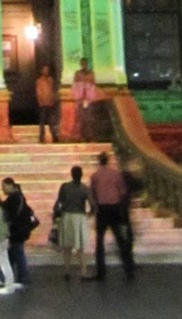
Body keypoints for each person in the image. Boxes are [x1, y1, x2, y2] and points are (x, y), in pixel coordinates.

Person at [88, 149, 135, 280]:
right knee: (120, 239)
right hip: (115, 207)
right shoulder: (116, 174)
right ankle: (128, 269)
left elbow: (93, 193)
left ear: (99, 161)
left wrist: (94, 207)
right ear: (108, 161)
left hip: (102, 209)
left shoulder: (95, 176)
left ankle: (101, 271)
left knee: (100, 241)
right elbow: (122, 192)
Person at [52, 164, 91, 282]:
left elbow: (59, 203)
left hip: (67, 217)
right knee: (81, 247)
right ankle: (83, 272)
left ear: (71, 174)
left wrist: (56, 216)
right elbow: (93, 204)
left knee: (67, 246)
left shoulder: (65, 187)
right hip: (79, 217)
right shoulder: (84, 188)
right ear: (81, 175)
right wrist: (89, 214)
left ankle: (67, 271)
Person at [0, 176, 32, 288]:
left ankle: (21, 278)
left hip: (16, 231)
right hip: (20, 230)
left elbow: (9, 214)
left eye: (4, 186)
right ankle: (9, 277)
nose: (3, 189)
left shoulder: (14, 198)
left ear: (10, 185)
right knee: (14, 254)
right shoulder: (19, 197)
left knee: (17, 254)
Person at [71, 61, 99, 140]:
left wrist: (90, 97)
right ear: (81, 65)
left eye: (85, 64)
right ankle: (82, 136)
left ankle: (90, 135)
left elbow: (93, 85)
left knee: (89, 118)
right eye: (83, 64)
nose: (84, 65)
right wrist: (78, 97)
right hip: (80, 100)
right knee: (81, 118)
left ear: (87, 64)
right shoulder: (77, 74)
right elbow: (75, 86)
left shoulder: (91, 73)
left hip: (89, 100)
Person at [36, 64, 59, 143]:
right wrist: (40, 101)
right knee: (42, 120)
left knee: (51, 120)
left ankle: (54, 135)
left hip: (50, 102)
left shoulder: (50, 80)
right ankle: (41, 136)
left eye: (47, 70)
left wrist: (53, 100)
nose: (46, 71)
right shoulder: (39, 81)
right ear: (42, 71)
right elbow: (38, 92)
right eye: (45, 70)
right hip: (43, 103)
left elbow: (52, 90)